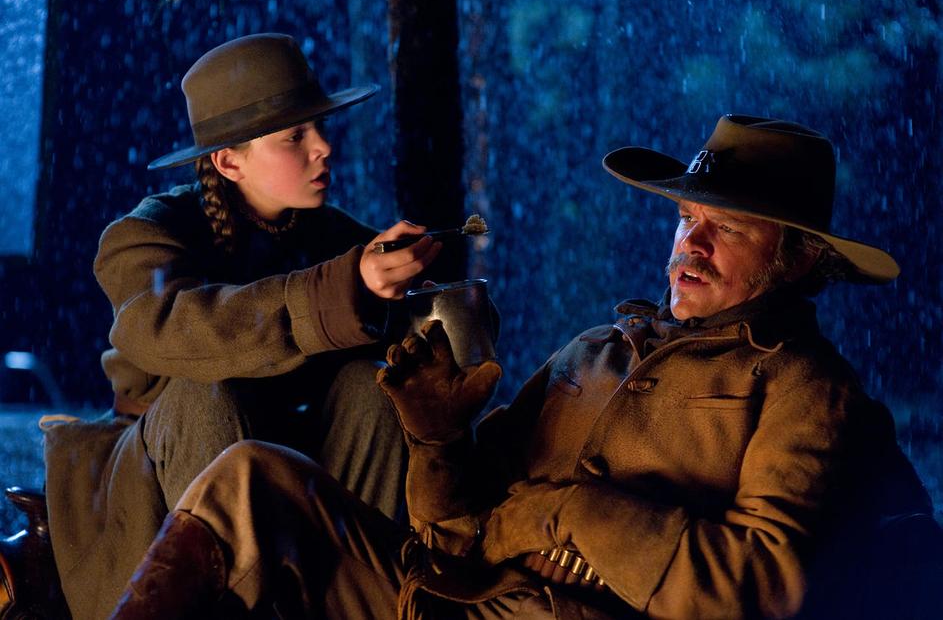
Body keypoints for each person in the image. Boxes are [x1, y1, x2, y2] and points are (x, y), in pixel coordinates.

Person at [108, 115, 935, 619]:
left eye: (729, 229)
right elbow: (454, 530)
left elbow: (761, 585)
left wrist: (570, 515)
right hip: (442, 602)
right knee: (251, 476)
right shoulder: (595, 350)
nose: (692, 244)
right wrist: (437, 441)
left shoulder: (802, 386)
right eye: (687, 218)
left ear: (797, 258)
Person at [42, 33, 444, 620]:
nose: (324, 147)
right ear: (229, 161)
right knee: (205, 395)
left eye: (319, 127)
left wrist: (429, 299)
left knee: (370, 387)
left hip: (300, 450)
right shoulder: (144, 235)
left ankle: (359, 599)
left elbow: (425, 324)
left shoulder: (334, 236)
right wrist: (342, 290)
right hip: (172, 472)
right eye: (295, 136)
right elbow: (167, 327)